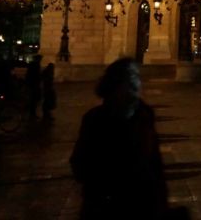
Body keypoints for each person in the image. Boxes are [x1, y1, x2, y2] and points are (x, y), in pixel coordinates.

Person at [70, 58, 170, 219]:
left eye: (137, 78)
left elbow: (155, 165)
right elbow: (80, 165)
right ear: (114, 85)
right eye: (129, 80)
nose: (136, 84)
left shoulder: (144, 116)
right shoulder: (96, 119)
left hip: (142, 205)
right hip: (106, 206)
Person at [26, 54, 43, 118]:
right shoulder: (35, 65)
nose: (40, 60)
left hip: (33, 84)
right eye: (39, 59)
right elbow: (35, 75)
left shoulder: (33, 65)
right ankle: (32, 113)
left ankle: (32, 113)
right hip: (34, 85)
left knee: (34, 100)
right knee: (34, 100)